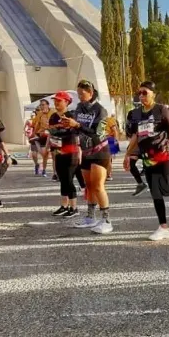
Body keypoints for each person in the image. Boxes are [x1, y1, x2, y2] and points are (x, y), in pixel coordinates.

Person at [124, 81, 169, 240]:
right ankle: (164, 227)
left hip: (163, 157)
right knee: (156, 194)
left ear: (153, 93)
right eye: (139, 93)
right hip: (147, 161)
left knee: (167, 190)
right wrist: (127, 154)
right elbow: (135, 136)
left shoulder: (161, 110)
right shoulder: (136, 114)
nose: (141, 96)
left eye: (145, 92)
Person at [67, 80, 113, 234]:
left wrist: (77, 125)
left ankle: (106, 219)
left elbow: (97, 133)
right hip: (86, 152)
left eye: (82, 93)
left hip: (99, 150)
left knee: (99, 185)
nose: (79, 97)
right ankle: (90, 217)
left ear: (91, 93)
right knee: (89, 186)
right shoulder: (79, 108)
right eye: (78, 93)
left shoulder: (100, 110)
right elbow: (75, 127)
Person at [45, 91, 81, 218]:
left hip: (71, 152)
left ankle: (74, 207)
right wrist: (48, 146)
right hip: (57, 151)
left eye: (59, 101)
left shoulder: (71, 115)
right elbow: (51, 132)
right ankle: (64, 205)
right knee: (62, 179)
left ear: (66, 102)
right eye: (55, 100)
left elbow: (73, 132)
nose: (56, 103)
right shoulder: (53, 116)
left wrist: (59, 131)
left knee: (69, 179)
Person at [28, 99, 51, 177]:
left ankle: (44, 170)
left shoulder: (53, 113)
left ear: (48, 105)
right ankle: (37, 165)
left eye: (43, 104)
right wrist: (33, 134)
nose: (42, 106)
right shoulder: (39, 115)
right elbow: (35, 125)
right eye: (41, 105)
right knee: (37, 154)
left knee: (46, 154)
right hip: (39, 135)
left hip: (50, 135)